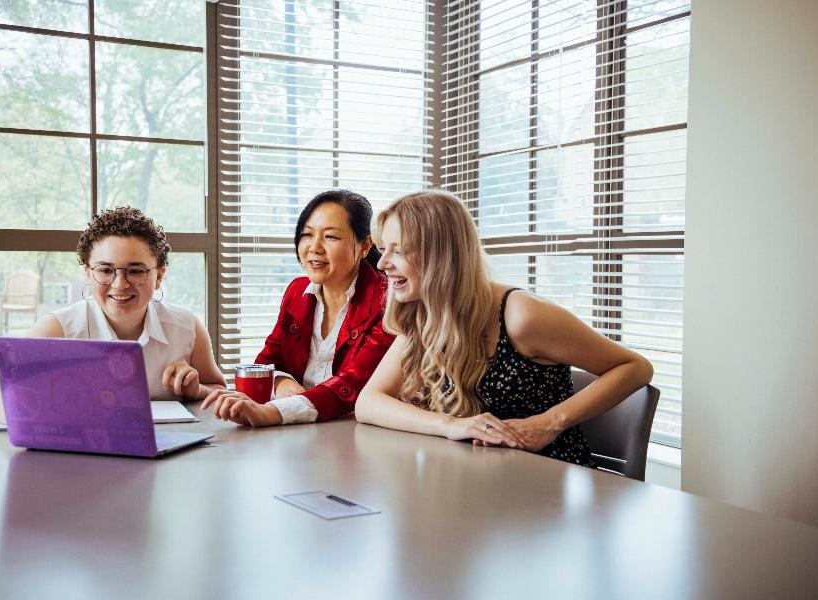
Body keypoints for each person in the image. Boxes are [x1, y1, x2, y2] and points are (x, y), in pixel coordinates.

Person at [355, 190, 654, 466]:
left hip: (544, 480)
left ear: (440, 254)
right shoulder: (424, 314)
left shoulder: (521, 316)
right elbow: (368, 404)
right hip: (473, 479)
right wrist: (451, 426)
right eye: (383, 249)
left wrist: (549, 422)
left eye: (398, 251)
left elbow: (635, 367)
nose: (381, 264)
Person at [0, 206, 226, 423]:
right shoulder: (57, 330)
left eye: (135, 270)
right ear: (88, 274)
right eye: (105, 270)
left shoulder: (186, 326)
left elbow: (219, 390)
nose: (120, 284)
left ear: (159, 276)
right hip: (80, 461)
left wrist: (197, 391)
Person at [201, 190, 395, 427]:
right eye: (307, 234)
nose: (314, 247)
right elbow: (266, 362)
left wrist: (273, 412)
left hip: (360, 434)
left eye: (331, 237)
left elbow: (353, 385)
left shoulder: (387, 300)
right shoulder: (297, 292)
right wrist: (281, 382)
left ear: (365, 246)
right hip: (302, 432)